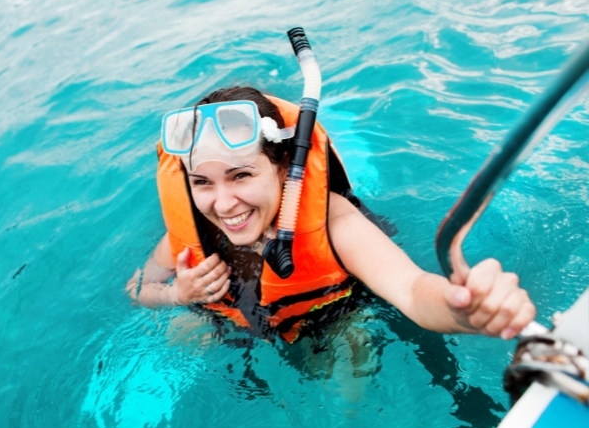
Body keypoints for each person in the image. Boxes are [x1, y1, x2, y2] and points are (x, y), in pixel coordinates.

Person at [125, 86, 536, 344]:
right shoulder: (199, 228)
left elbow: (411, 290)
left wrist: (463, 309)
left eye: (241, 175)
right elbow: (140, 287)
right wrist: (178, 295)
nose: (224, 203)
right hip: (241, 318)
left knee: (345, 378)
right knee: (178, 340)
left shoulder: (335, 224)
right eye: (203, 183)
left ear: (285, 168)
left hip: (330, 320)